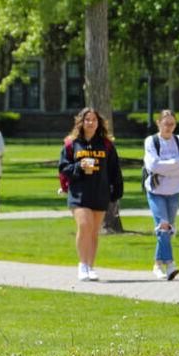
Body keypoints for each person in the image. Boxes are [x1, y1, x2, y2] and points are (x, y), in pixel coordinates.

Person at [59, 107, 123, 282]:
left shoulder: (107, 144)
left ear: (98, 123)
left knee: (94, 232)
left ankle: (91, 267)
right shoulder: (72, 143)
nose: (90, 123)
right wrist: (79, 167)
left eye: (94, 120)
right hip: (79, 193)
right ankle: (82, 265)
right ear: (81, 122)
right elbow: (63, 168)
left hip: (100, 193)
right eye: (87, 119)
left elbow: (114, 170)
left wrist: (116, 193)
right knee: (85, 226)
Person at [142, 109, 179, 280]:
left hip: (175, 190)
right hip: (156, 190)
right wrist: (175, 164)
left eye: (172, 124)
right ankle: (170, 264)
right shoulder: (151, 141)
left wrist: (167, 167)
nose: (169, 127)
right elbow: (153, 166)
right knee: (163, 224)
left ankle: (157, 264)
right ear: (158, 123)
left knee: (168, 228)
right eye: (166, 123)